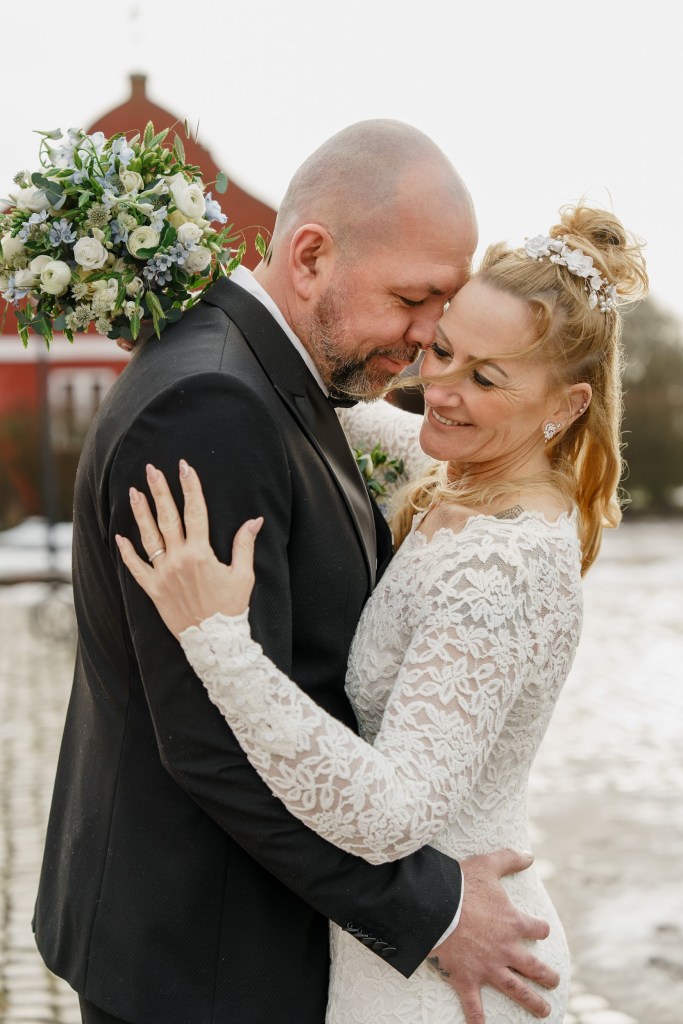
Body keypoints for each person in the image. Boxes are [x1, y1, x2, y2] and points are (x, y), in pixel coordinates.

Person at [33, 120, 559, 1024]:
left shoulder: (270, 376)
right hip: (209, 959)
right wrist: (434, 916)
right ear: (310, 255)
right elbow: (213, 741)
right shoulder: (215, 405)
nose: (432, 335)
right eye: (415, 297)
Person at [116, 202, 648, 1022]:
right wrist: (177, 299)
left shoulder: (500, 563)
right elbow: (336, 404)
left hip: (449, 976)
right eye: (442, 349)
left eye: (485, 377)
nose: (437, 387)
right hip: (393, 954)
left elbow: (390, 814)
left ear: (567, 406)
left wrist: (217, 639)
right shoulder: (470, 474)